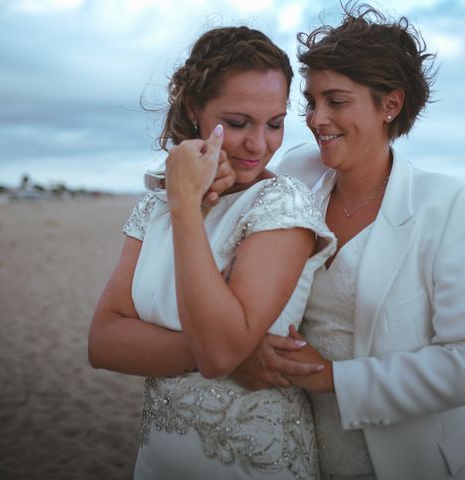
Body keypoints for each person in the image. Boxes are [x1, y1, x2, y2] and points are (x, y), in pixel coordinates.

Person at [225, 4, 465, 480]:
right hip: (305, 455)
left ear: (390, 104)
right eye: (311, 102)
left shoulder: (450, 205)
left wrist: (330, 378)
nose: (316, 119)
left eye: (336, 101)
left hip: (419, 462)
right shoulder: (294, 174)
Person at [88, 26, 336, 479]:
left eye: (275, 124)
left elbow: (219, 353)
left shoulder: (283, 204)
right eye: (239, 123)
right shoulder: (153, 205)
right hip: (160, 460)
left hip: (255, 464)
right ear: (193, 109)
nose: (259, 145)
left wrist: (185, 210)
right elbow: (103, 341)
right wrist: (233, 354)